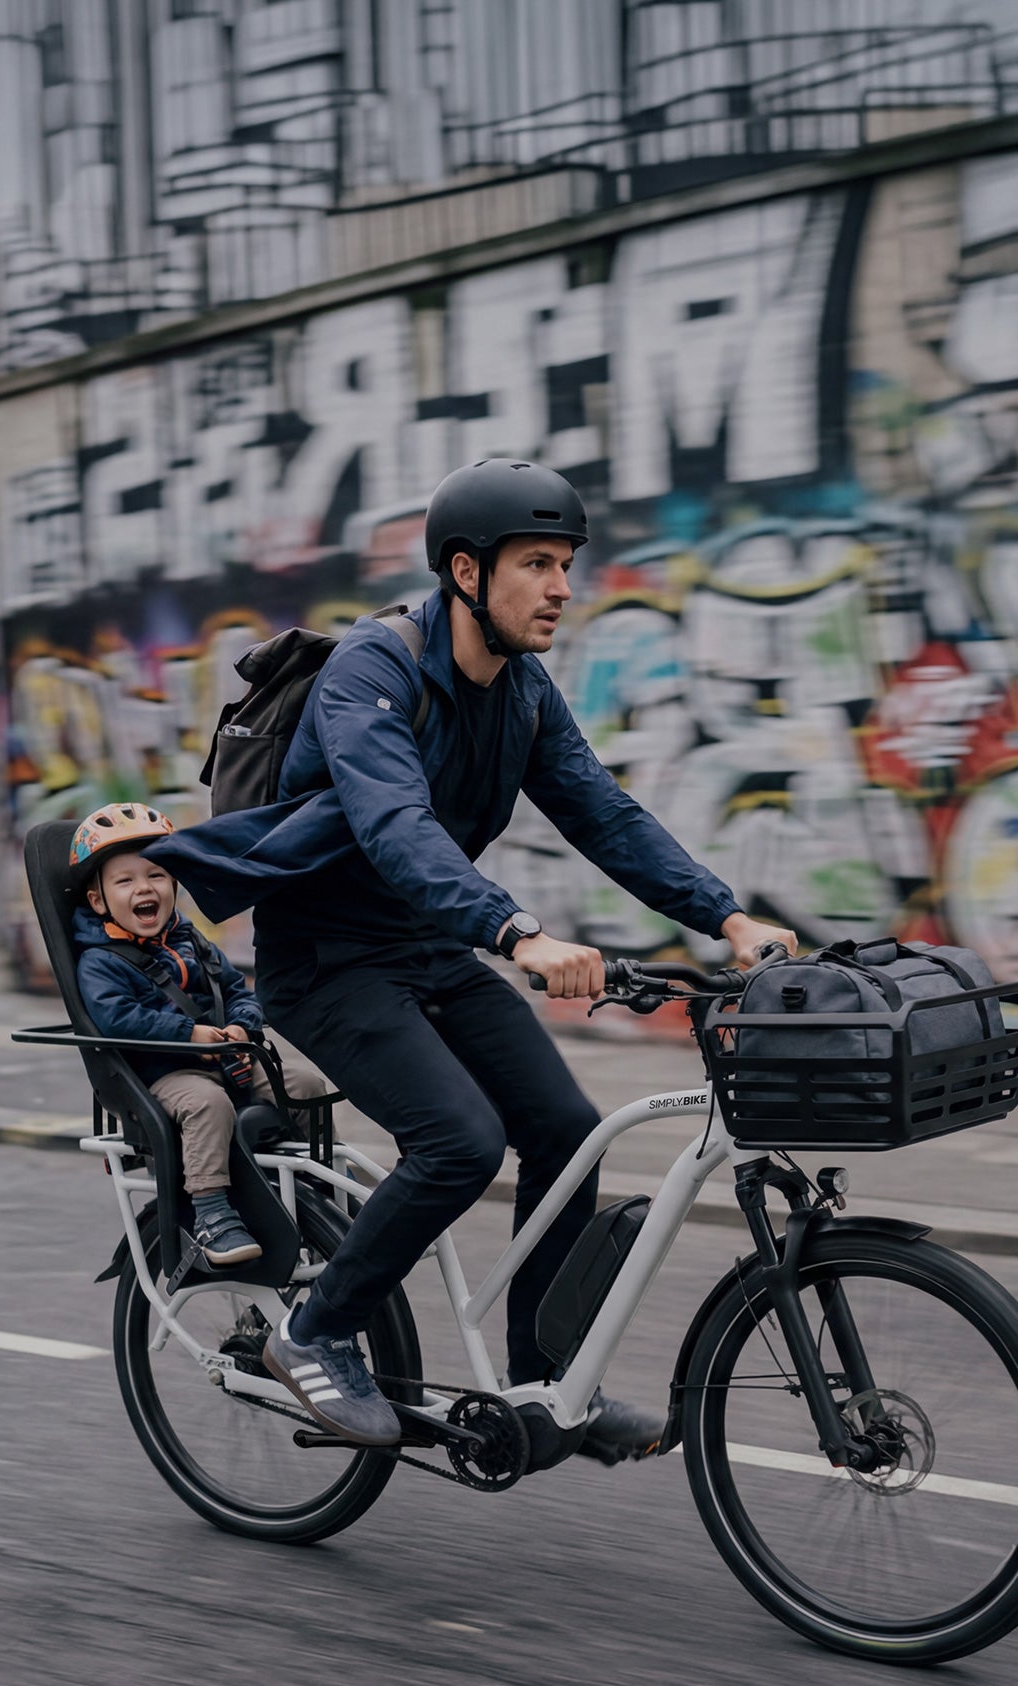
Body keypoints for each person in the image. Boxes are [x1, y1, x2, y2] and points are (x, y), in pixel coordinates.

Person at [154, 462, 796, 1452]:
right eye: (536, 563)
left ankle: (542, 1384)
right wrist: (517, 933)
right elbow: (396, 824)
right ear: (466, 571)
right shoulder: (371, 673)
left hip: (429, 948)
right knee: (459, 1141)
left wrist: (729, 918)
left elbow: (604, 813)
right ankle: (312, 1332)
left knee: (567, 1129)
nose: (561, 587)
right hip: (327, 962)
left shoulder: (522, 692)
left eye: (567, 564)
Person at [69, 802, 328, 1267]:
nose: (144, 887)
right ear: (98, 901)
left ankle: (317, 1189)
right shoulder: (101, 961)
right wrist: (189, 1034)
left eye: (157, 875)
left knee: (306, 1084)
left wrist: (241, 1026)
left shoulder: (192, 942)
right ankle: (211, 1212)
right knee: (208, 1104)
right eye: (125, 881)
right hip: (162, 1074)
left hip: (228, 1058)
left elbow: (238, 990)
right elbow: (117, 1018)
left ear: (173, 885)